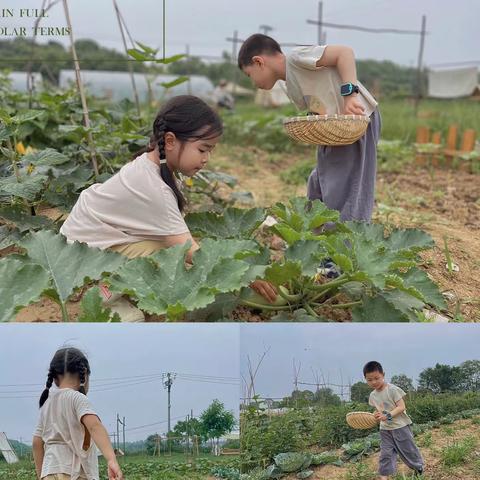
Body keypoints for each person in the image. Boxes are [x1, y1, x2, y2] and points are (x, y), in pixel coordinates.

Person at [60, 95, 276, 320]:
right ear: (170, 141)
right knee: (170, 262)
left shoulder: (158, 169)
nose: (207, 158)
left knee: (171, 258)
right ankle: (101, 294)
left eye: (211, 151)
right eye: (202, 149)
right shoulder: (155, 187)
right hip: (78, 260)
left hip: (95, 243)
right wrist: (244, 274)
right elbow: (194, 253)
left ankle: (118, 287)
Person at [237, 34, 381, 223]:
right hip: (334, 131)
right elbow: (320, 105)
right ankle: (318, 236)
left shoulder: (296, 58)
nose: (253, 83)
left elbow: (344, 53)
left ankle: (348, 241)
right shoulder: (290, 84)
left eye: (249, 75)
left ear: (259, 62)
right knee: (319, 182)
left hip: (356, 121)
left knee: (347, 188)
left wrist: (350, 95)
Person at [32, 347, 123, 480]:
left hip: (49, 471)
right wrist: (111, 459)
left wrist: (41, 475)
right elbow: (95, 427)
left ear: (55, 378)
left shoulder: (47, 403)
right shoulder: (78, 398)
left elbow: (37, 443)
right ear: (84, 374)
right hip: (74, 473)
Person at [364, 361, 424, 479]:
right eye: (369, 380)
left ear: (383, 375)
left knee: (408, 450)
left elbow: (402, 407)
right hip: (385, 429)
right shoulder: (373, 395)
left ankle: (418, 467)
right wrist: (376, 415)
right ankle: (384, 476)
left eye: (377, 378)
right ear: (365, 379)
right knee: (385, 453)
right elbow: (379, 410)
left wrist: (388, 416)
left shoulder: (392, 390)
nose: (374, 382)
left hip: (400, 426)